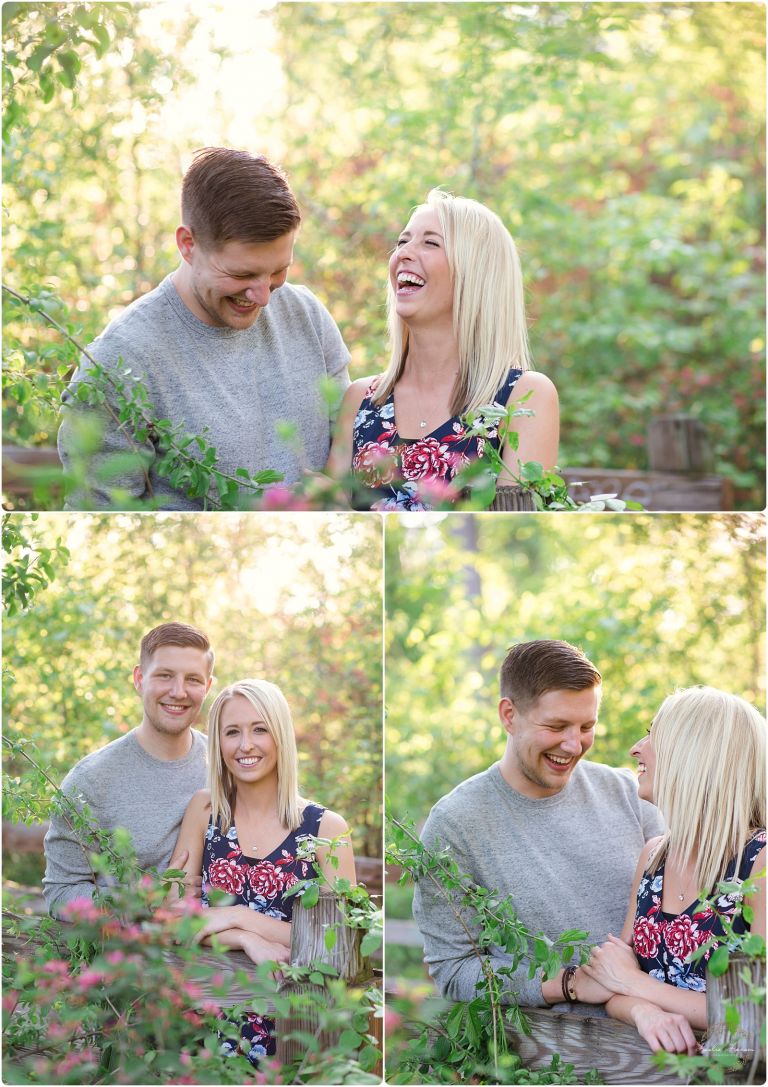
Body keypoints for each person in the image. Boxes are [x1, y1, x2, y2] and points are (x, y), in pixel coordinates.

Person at [58, 147, 351, 510]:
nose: (262, 296)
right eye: (241, 274)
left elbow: (350, 454)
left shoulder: (307, 315)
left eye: (278, 271)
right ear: (188, 244)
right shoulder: (118, 366)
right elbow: (98, 517)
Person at [412, 640, 664, 1012]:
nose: (574, 744)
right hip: (547, 1055)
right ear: (509, 715)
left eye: (586, 726)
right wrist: (569, 984)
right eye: (556, 725)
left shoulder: (629, 794)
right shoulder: (455, 825)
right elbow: (454, 971)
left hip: (664, 1039)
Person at [326, 190, 559, 510]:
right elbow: (335, 522)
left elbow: (515, 534)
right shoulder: (361, 400)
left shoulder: (524, 397)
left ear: (476, 273)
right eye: (402, 242)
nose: (404, 253)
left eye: (430, 243)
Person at [170, 678, 356, 1065]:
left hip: (293, 1036)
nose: (245, 745)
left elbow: (338, 945)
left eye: (259, 729)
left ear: (281, 736)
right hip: (204, 1032)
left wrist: (235, 915)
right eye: (232, 732)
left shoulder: (326, 829)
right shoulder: (205, 813)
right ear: (218, 743)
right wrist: (245, 937)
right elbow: (174, 922)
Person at [580, 686, 766, 1055]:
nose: (636, 747)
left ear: (696, 753)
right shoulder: (654, 856)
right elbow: (612, 982)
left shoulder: (760, 863)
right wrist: (644, 1011)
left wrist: (637, 984)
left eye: (653, 735)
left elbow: (757, 1012)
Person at [43, 622, 214, 918]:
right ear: (139, 679)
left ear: (208, 686)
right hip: (132, 957)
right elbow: (60, 893)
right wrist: (145, 901)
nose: (178, 691)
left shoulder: (227, 765)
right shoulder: (90, 781)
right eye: (165, 675)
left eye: (193, 680)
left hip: (228, 956)